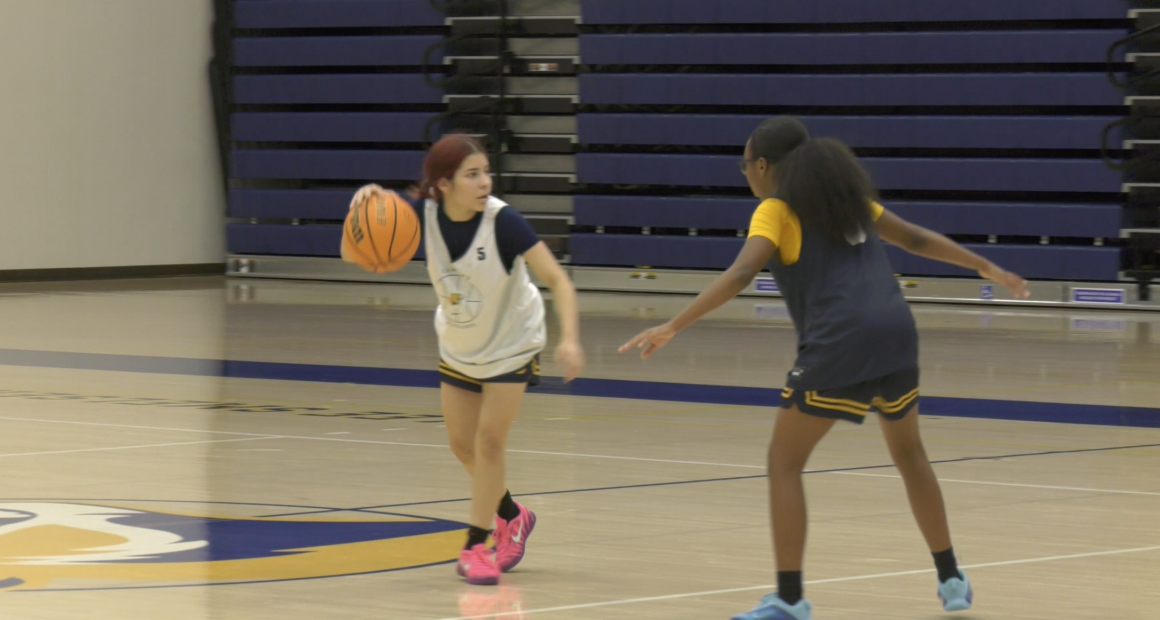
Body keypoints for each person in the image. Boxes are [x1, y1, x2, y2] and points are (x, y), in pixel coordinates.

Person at [619, 117, 1029, 620]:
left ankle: (790, 600)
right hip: (897, 335)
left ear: (763, 166)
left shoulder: (775, 209)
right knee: (910, 454)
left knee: (784, 463)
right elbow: (917, 240)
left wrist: (673, 325)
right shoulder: (849, 200)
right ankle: (951, 579)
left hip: (840, 345)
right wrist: (985, 266)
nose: (745, 174)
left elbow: (743, 270)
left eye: (745, 165)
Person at [345, 133, 585, 586]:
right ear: (443, 183)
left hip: (512, 339)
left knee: (490, 441)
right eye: (472, 175)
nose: (484, 182)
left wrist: (569, 338)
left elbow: (558, 278)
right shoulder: (419, 215)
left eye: (486, 173)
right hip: (460, 340)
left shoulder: (505, 223)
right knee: (462, 445)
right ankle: (513, 515)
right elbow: (352, 250)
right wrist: (360, 213)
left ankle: (477, 545)